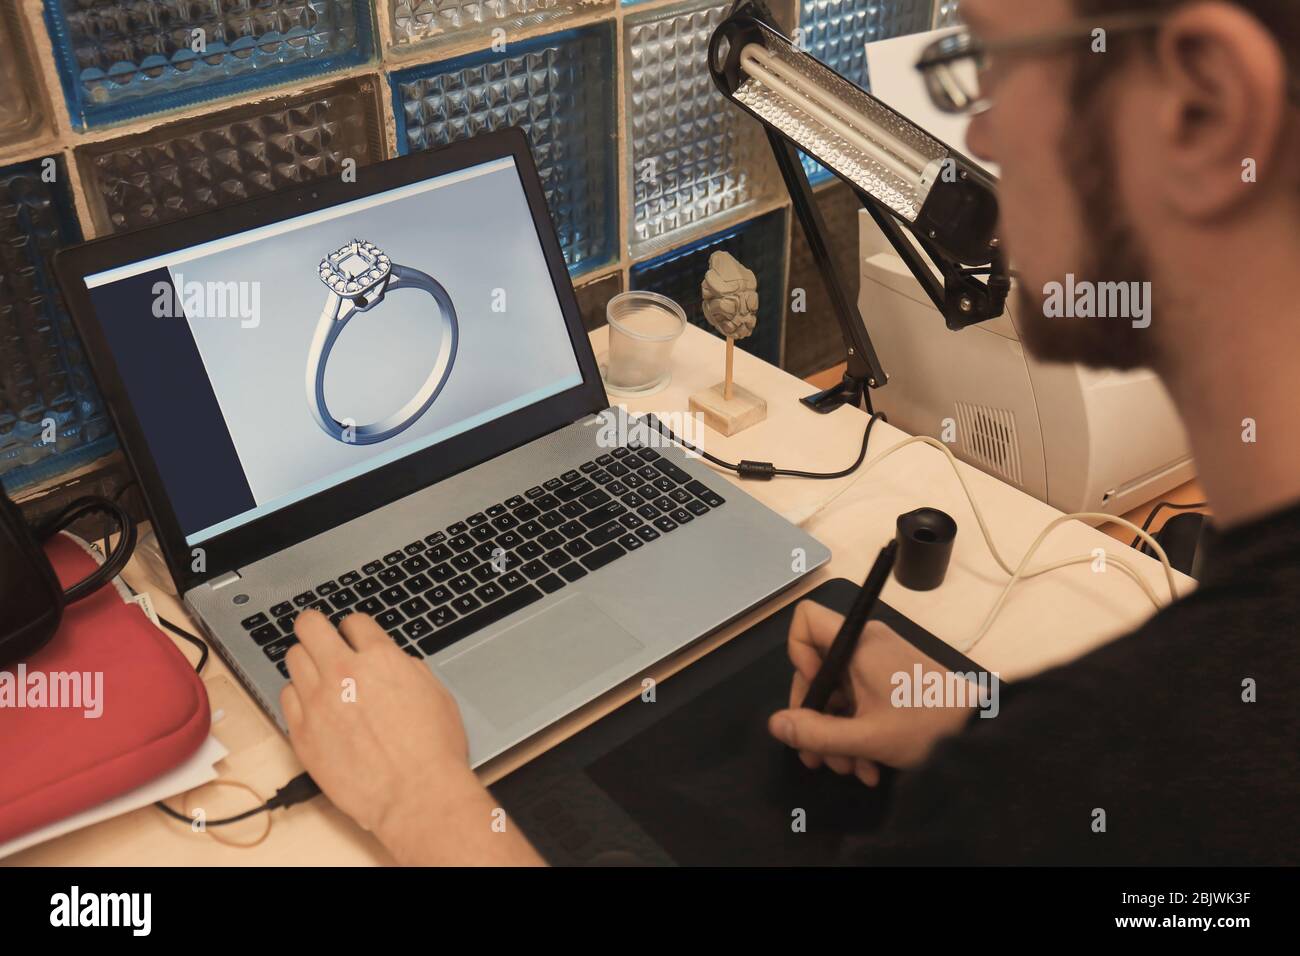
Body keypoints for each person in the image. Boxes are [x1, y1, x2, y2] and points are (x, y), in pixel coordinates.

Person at [280, 0, 1300, 865]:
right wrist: (979, 719)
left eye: (991, 63)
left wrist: (425, 800)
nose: (978, 138)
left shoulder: (1105, 775)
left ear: (1204, 104)